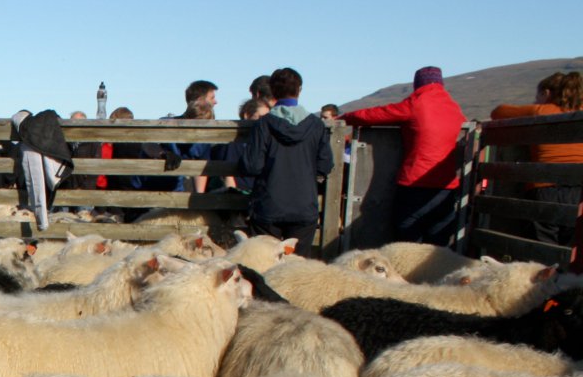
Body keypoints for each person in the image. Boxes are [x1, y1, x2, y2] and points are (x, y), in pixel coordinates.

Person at [342, 66, 466, 246]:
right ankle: (436, 273)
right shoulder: (454, 107)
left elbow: (376, 115)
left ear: (418, 84)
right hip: (446, 186)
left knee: (407, 239)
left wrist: (346, 117)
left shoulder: (416, 103)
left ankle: (409, 274)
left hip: (415, 182)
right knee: (438, 240)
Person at [240, 66, 333, 257]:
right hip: (304, 205)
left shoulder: (263, 125)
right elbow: (325, 164)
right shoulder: (316, 125)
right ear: (299, 90)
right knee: (297, 267)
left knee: (265, 262)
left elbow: (252, 165)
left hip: (269, 205)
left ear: (273, 91)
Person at [490, 71, 583, 247]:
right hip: (579, 190)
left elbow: (498, 112)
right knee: (571, 249)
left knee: (542, 251)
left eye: (537, 96)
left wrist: (535, 107)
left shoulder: (541, 110)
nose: (535, 100)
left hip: (544, 189)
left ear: (547, 93)